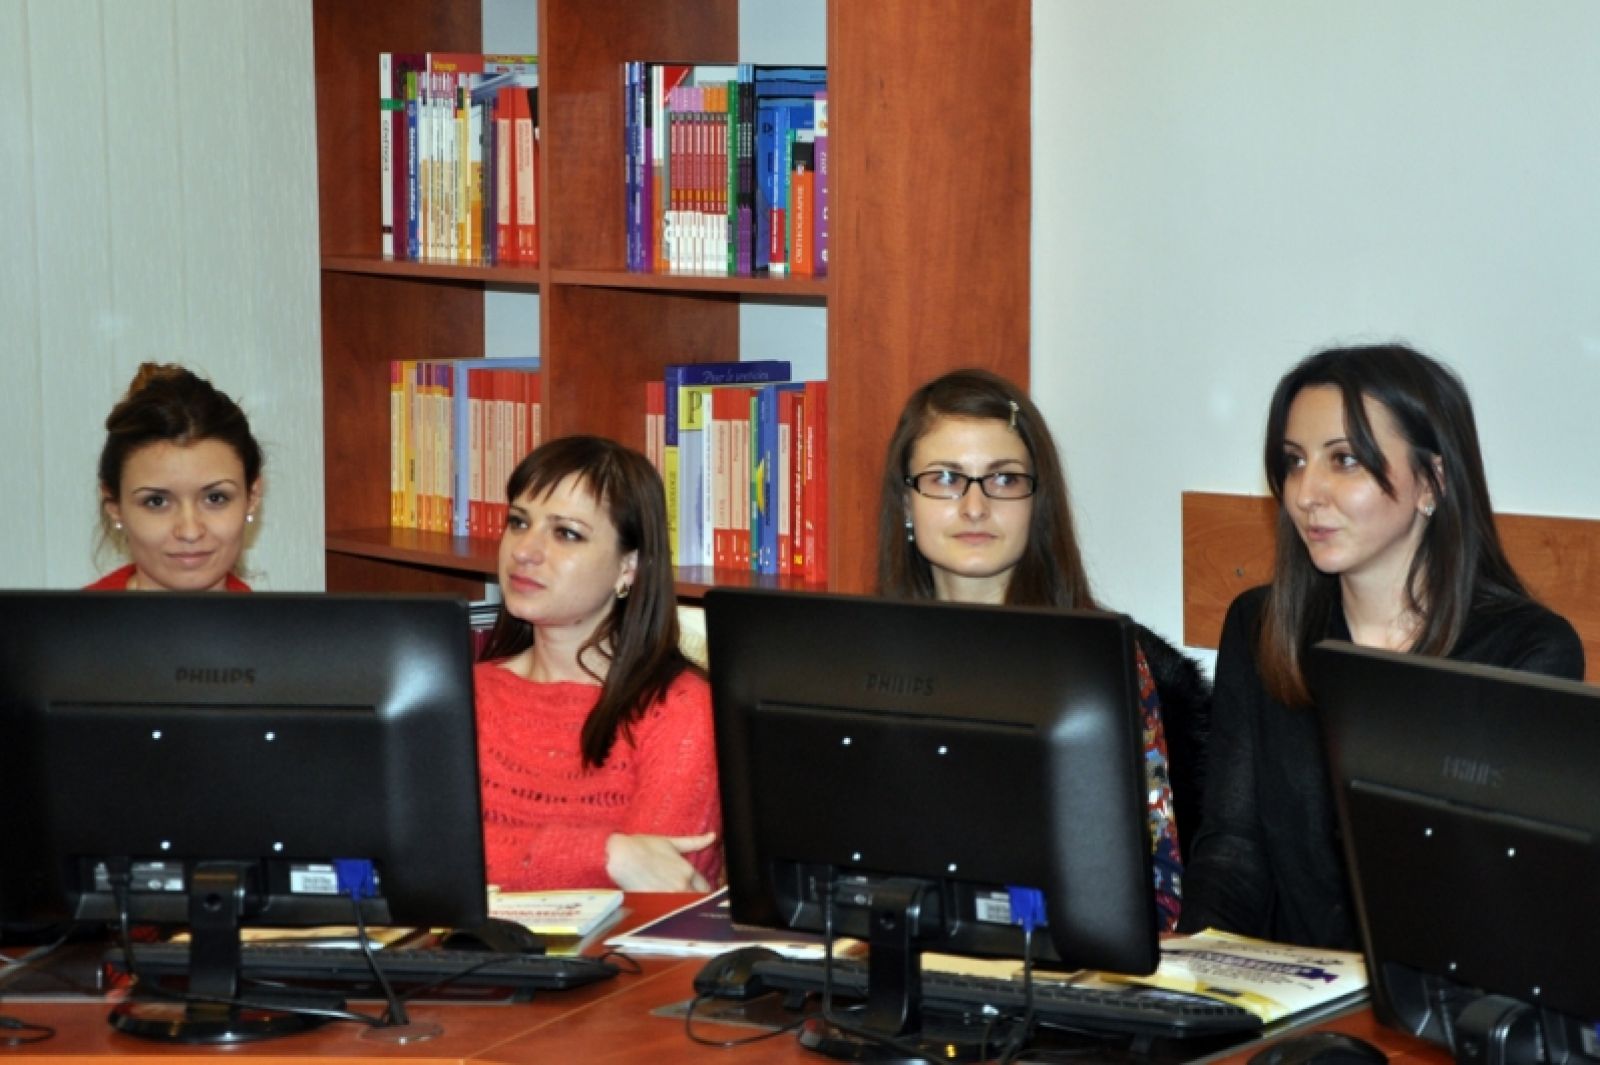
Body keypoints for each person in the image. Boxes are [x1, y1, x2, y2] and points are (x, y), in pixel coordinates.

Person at [1178, 343, 1584, 949]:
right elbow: (1233, 849)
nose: (1306, 493)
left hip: (1433, 995)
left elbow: (1494, 899)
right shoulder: (1259, 624)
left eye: (1344, 460)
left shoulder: (1527, 651)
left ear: (1432, 481)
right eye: (1294, 461)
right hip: (1287, 993)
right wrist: (1191, 971)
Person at [878, 368, 1211, 932]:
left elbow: (1158, 890)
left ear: (1038, 503)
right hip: (899, 950)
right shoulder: (861, 657)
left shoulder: (1103, 663)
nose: (975, 506)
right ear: (906, 503)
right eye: (945, 478)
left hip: (1063, 963)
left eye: (1004, 479)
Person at [475, 435, 721, 892]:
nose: (524, 551)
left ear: (629, 568)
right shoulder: (464, 693)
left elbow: (662, 889)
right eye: (518, 522)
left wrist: (509, 858)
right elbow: (416, 856)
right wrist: (609, 855)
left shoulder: (681, 709)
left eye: (566, 533)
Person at [90, 363, 263, 592]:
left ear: (252, 498)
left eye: (215, 498)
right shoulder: (61, 617)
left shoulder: (286, 618)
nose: (190, 532)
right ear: (115, 508)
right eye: (156, 501)